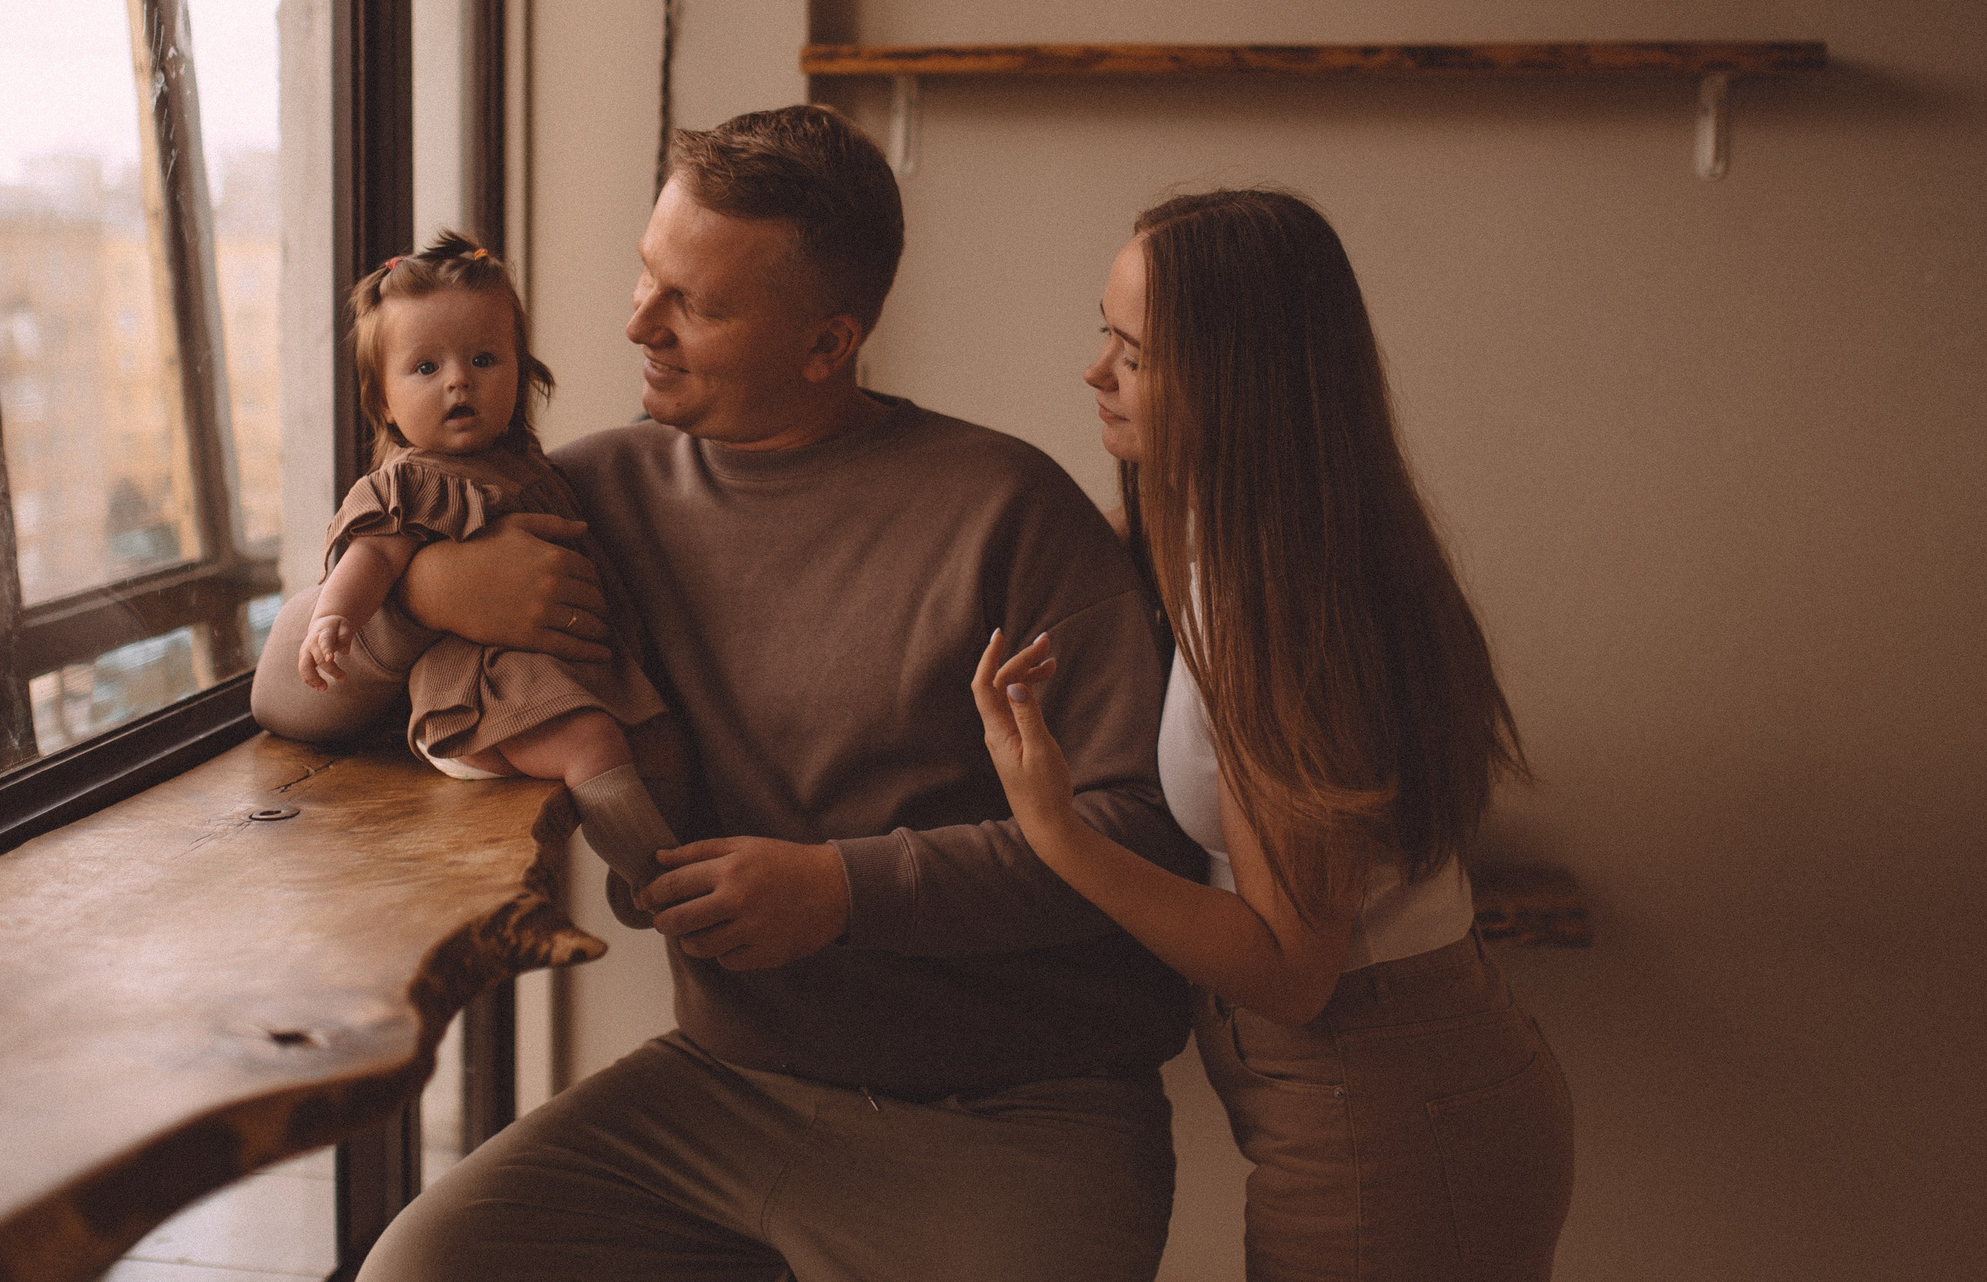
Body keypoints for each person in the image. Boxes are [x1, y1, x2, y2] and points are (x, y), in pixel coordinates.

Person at [252, 105, 1204, 1282]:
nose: (636, 324)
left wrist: (842, 891)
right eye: (648, 278)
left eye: (692, 306)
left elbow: (1142, 834)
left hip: (1021, 1119)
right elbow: (287, 697)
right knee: (420, 1271)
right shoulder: (580, 495)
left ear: (825, 345)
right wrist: (432, 592)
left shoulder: (1005, 512)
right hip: (725, 1095)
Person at [970, 189, 1575, 1282]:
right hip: (1383, 1089)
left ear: (1236, 387)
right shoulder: (1214, 529)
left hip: (1390, 1108)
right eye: (1102, 331)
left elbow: (1294, 972)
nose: (1095, 372)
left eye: (1135, 355)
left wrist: (1057, 834)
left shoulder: (1275, 610)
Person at [300, 231, 683, 908]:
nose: (458, 380)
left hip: (569, 668)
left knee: (661, 742)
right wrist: (334, 617)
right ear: (383, 401)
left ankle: (656, 864)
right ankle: (660, 889)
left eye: (484, 358)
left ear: (521, 370)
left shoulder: (532, 468)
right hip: (480, 696)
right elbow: (371, 557)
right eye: (425, 368)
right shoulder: (409, 482)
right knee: (592, 742)